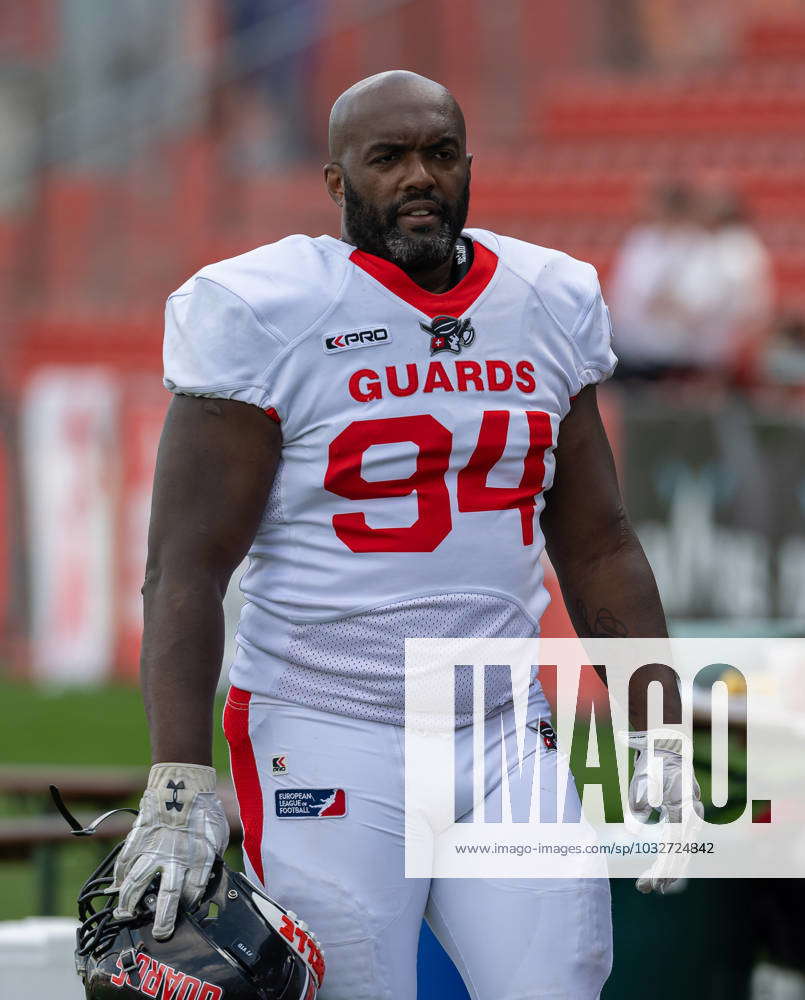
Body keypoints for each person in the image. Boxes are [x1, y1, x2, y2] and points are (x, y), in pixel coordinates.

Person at [112, 71, 696, 1000]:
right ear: (338, 182)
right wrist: (178, 778)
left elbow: (598, 543)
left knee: (563, 977)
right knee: (357, 987)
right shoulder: (265, 309)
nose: (418, 176)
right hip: (324, 723)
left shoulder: (546, 298)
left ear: (469, 164)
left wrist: (654, 736)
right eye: (388, 158)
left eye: (439, 153)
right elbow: (183, 567)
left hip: (504, 727)